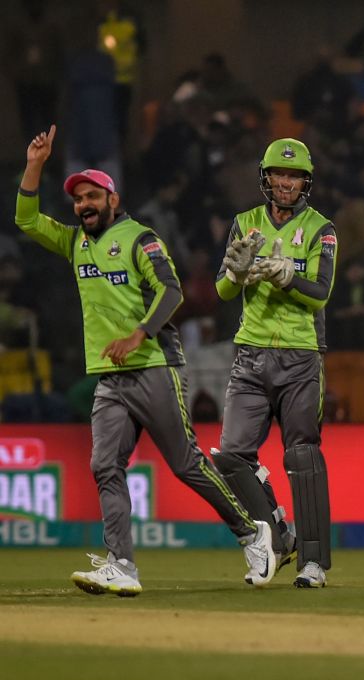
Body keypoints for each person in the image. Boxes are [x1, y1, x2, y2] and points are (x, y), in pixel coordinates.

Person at [15, 125, 274, 596]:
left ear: (112, 199)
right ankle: (122, 565)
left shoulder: (140, 238)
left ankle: (253, 533)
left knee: (186, 464)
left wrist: (138, 335)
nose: (84, 205)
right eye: (78, 199)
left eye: (93, 196)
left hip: (154, 364)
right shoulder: (75, 242)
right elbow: (27, 220)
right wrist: (35, 165)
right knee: (104, 466)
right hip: (109, 377)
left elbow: (171, 292)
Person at [213, 137, 338, 589]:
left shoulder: (322, 229)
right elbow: (223, 291)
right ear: (266, 178)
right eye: (279, 174)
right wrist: (236, 273)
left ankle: (313, 563)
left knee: (302, 454)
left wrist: (289, 277)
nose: (286, 183)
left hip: (301, 356)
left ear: (306, 182)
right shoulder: (244, 222)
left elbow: (321, 292)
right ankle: (279, 535)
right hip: (250, 354)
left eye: (295, 176)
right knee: (231, 456)